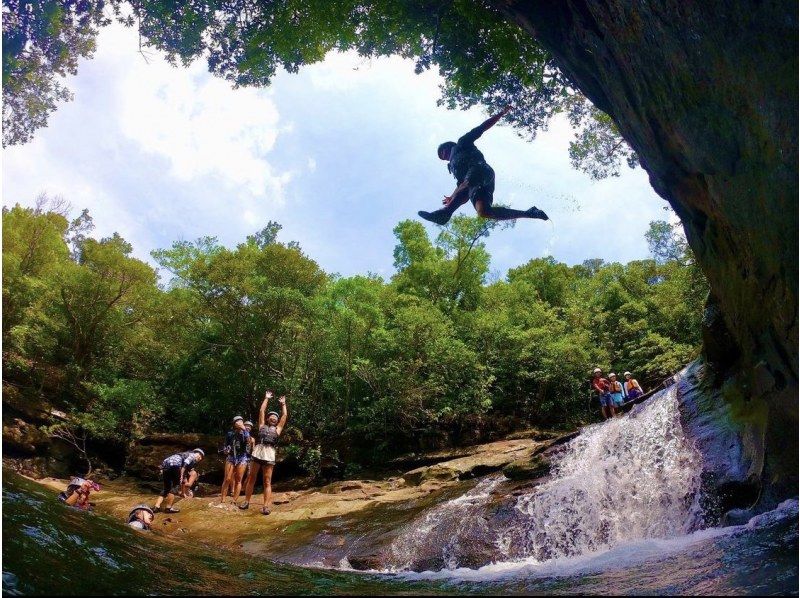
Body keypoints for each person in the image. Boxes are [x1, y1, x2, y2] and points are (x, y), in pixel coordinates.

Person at [418, 105, 549, 226]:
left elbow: (481, 128)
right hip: (476, 183)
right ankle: (530, 213)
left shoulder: (462, 143)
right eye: (444, 159)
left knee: (467, 183)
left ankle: (445, 213)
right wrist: (452, 196)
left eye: (444, 155)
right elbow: (461, 186)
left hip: (480, 170)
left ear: (448, 148)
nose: (446, 159)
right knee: (483, 212)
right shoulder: (455, 169)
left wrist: (501, 114)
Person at [240, 391, 288, 515]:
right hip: (258, 452)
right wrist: (266, 398)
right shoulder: (262, 426)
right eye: (271, 416)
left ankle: (266, 506)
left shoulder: (278, 429)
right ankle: (246, 501)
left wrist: (283, 404)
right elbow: (261, 411)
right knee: (251, 477)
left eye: (275, 417)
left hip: (269, 453)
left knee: (267, 481)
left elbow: (284, 416)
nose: (273, 417)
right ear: (268, 419)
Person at [154, 448, 204, 513]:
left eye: (200, 458)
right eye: (200, 456)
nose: (199, 458)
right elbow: (185, 465)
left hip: (166, 465)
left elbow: (184, 477)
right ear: (197, 453)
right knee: (175, 486)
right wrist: (181, 475)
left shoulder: (181, 454)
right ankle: (168, 508)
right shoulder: (192, 455)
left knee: (166, 488)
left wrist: (183, 493)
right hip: (175, 465)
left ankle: (156, 507)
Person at [219, 416, 250, 505]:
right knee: (227, 478)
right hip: (231, 457)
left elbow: (248, 441)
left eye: (241, 421)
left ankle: (234, 501)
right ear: (234, 424)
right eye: (237, 421)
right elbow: (226, 445)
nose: (239, 422)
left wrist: (244, 429)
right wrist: (226, 450)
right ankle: (223, 500)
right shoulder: (230, 434)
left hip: (242, 457)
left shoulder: (245, 433)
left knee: (238, 479)